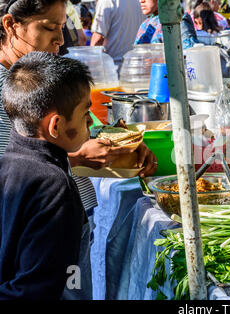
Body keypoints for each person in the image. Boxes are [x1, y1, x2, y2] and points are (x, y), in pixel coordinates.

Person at [0, 0, 157, 218]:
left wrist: (125, 144)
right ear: (10, 25)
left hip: (75, 207)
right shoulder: (7, 85)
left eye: (62, 27)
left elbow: (79, 128)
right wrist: (78, 158)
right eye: (48, 28)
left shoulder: (45, 76)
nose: (60, 40)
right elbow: (9, 166)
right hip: (39, 216)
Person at [0, 51, 94, 299]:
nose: (91, 123)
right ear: (56, 125)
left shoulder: (5, 164)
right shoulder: (54, 186)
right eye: (86, 114)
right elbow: (35, 289)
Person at [90, 0, 145, 69]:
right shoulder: (142, 2)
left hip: (114, 67)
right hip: (138, 66)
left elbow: (97, 40)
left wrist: (92, 65)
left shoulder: (107, 1)